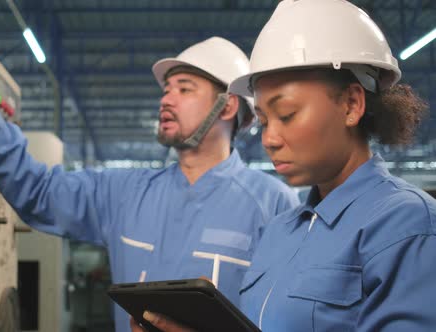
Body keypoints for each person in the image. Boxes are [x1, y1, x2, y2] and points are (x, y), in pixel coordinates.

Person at [0, 37, 299, 332]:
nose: (166, 99)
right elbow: (38, 192)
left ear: (227, 107)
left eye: (184, 89)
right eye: (166, 89)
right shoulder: (123, 193)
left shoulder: (275, 206)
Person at [133, 0, 436, 331]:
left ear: (351, 104)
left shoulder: (406, 225)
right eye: (263, 120)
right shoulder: (279, 230)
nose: (269, 139)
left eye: (287, 114)